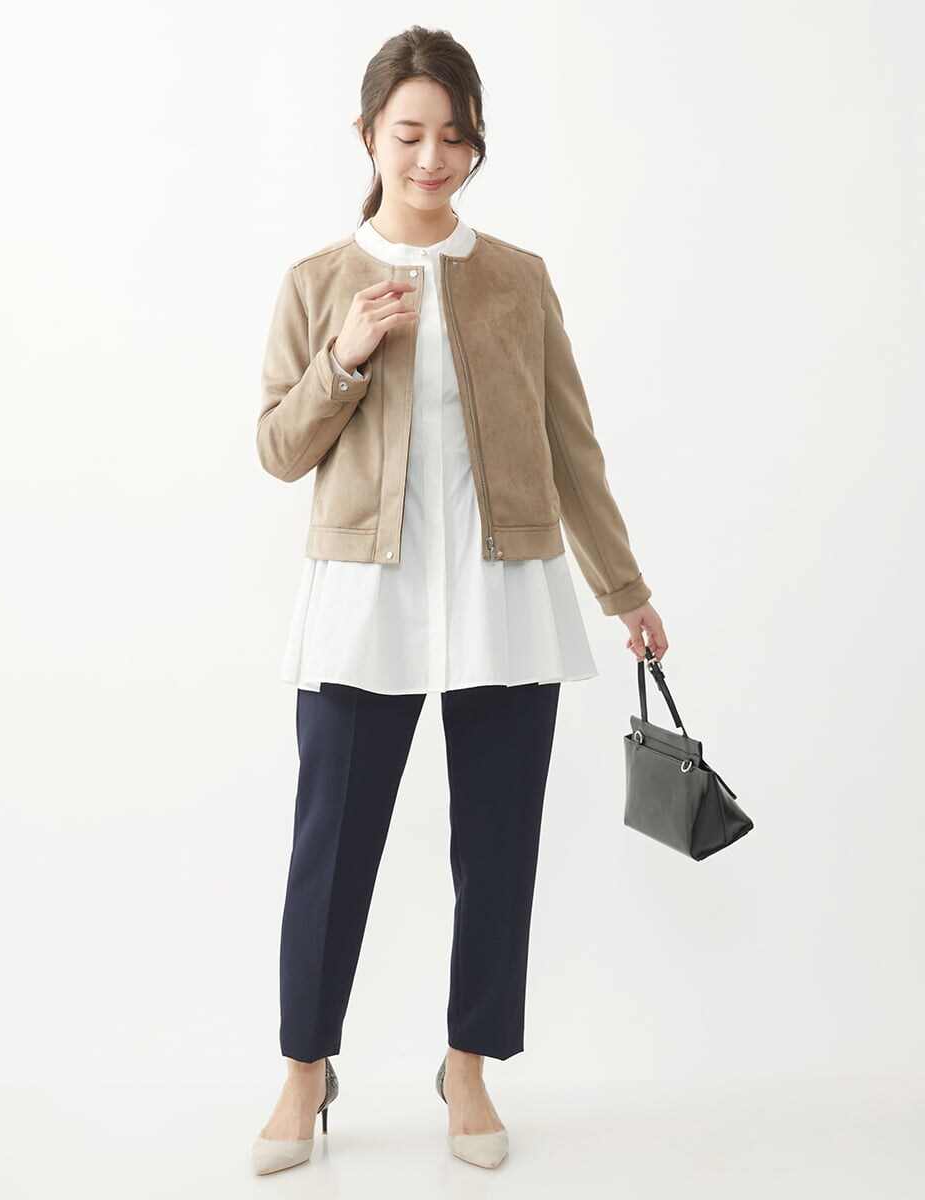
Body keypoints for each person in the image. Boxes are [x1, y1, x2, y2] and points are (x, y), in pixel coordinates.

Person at [251, 25, 668, 1175]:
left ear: (475, 141)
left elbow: (570, 446)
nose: (431, 158)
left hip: (503, 592)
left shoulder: (518, 279)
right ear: (367, 136)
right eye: (409, 134)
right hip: (362, 599)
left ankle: (469, 1066)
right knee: (331, 850)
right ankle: (303, 1070)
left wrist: (622, 587)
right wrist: (343, 357)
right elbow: (277, 450)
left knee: (497, 849)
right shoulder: (317, 282)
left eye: (454, 136)